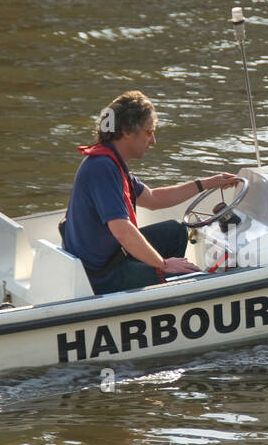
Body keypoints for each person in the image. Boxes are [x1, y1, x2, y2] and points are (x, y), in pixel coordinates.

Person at [60, 90, 239, 295]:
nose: (153, 140)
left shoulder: (109, 162)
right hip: (103, 276)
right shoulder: (102, 168)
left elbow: (153, 198)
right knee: (190, 276)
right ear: (127, 131)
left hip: (109, 258)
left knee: (175, 232)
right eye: (148, 131)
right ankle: (167, 291)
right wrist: (163, 264)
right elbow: (123, 231)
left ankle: (162, 285)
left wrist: (207, 183)